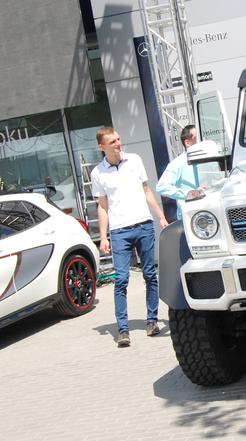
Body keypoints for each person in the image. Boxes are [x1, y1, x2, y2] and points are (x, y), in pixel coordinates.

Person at [90, 127, 168, 348]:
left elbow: (146, 191)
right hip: (119, 231)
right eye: (112, 141)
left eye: (118, 138)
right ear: (102, 146)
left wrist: (160, 216)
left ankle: (152, 321)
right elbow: (102, 206)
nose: (118, 143)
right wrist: (103, 237)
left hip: (143, 224)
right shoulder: (97, 173)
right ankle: (123, 330)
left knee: (150, 274)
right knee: (121, 280)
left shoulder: (134, 160)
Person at [156, 125, 201, 220]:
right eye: (197, 138)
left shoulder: (211, 158)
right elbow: (161, 187)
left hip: (213, 210)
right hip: (190, 217)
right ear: (187, 142)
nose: (201, 140)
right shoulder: (178, 163)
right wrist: (188, 194)